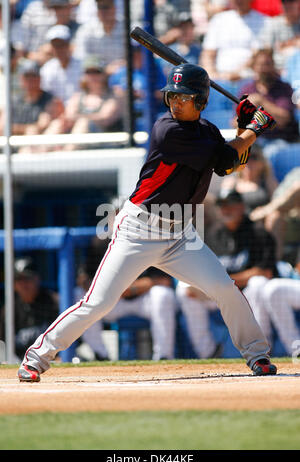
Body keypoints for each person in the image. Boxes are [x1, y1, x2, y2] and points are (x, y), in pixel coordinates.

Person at [17, 62, 278, 382]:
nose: (176, 102)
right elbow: (223, 157)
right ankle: (37, 355)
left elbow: (228, 167)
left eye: (185, 97)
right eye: (173, 96)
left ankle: (257, 354)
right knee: (98, 302)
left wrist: (243, 128)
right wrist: (254, 129)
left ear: (201, 100)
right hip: (139, 229)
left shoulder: (208, 131)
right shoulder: (166, 130)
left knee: (224, 288)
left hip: (180, 233)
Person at [176, 188, 279, 359]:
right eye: (221, 205)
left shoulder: (258, 232)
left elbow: (264, 272)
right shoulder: (213, 234)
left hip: (247, 293)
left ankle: (262, 348)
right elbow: (203, 269)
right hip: (221, 293)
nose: (225, 210)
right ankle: (208, 352)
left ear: (241, 207)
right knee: (184, 289)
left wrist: (227, 282)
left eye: (229, 205)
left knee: (258, 284)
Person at [48, 55, 123, 146]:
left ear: (104, 75)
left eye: (96, 72)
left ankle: (67, 153)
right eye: (89, 72)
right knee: (57, 124)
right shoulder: (78, 96)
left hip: (106, 141)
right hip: (79, 139)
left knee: (83, 124)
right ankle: (37, 153)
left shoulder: (114, 95)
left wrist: (81, 118)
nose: (93, 76)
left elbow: (105, 118)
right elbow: (69, 116)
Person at [239, 48, 299, 157]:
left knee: (269, 153)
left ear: (273, 65)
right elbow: (236, 122)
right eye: (260, 65)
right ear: (254, 67)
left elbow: (283, 120)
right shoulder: (247, 89)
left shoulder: (284, 88)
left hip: (280, 140)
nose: (264, 69)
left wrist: (261, 101)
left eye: (267, 64)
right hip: (255, 140)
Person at [0, 258, 59, 360]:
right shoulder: (9, 308)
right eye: (19, 279)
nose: (24, 284)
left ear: (38, 279)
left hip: (50, 357)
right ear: (13, 284)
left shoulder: (53, 302)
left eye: (28, 278)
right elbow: (3, 342)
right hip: (18, 359)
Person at [201, 0, 268, 82]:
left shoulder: (263, 20)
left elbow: (258, 54)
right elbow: (208, 54)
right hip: (220, 78)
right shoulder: (218, 20)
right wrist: (212, 74)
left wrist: (237, 73)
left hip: (249, 78)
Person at [0, 58, 64, 141]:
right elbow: (2, 128)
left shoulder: (51, 101)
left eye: (33, 76)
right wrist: (26, 129)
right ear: (21, 79)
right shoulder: (14, 102)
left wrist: (19, 129)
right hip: (13, 148)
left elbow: (45, 126)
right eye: (27, 77)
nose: (30, 80)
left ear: (40, 78)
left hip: (37, 147)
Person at [109, 42, 166, 131]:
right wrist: (125, 93)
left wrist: (142, 94)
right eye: (132, 52)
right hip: (127, 115)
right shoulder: (121, 71)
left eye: (138, 52)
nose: (135, 55)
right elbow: (114, 91)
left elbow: (164, 94)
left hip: (152, 114)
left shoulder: (155, 70)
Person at [250, 167, 300, 259]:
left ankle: (267, 210)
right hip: (291, 218)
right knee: (274, 217)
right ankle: (274, 265)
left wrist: (266, 210)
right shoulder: (296, 172)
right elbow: (277, 196)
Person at [220, 143, 278, 213]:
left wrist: (264, 211)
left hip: (260, 220)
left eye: (254, 157)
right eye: (245, 156)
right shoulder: (231, 183)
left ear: (262, 163)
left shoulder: (268, 182)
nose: (248, 161)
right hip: (237, 222)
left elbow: (277, 204)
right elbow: (222, 208)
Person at [73, 0, 125, 76]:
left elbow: (138, 58)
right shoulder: (86, 30)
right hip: (96, 75)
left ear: (115, 8)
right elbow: (80, 58)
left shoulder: (127, 28)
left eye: (106, 7)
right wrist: (105, 69)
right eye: (99, 7)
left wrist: (124, 64)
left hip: (122, 75)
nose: (103, 11)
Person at [40, 25, 82, 105]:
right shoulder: (47, 69)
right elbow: (46, 96)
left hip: (79, 110)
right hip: (56, 111)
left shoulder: (82, 66)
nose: (59, 49)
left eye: (62, 45)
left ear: (68, 45)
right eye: (55, 46)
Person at [260, 0, 300, 74]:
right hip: (277, 72)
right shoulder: (272, 24)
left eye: (291, 2)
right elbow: (266, 51)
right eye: (284, 2)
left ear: (298, 3)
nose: (287, 5)